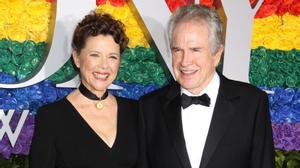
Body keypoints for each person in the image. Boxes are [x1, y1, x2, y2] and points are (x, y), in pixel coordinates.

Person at [139, 4, 275, 168]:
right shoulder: (149, 108)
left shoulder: (252, 103)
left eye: (195, 49)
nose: (185, 61)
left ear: (217, 54)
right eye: (177, 50)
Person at [30, 12, 141, 168]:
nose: (104, 65)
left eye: (112, 57)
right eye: (95, 55)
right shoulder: (51, 117)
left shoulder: (135, 111)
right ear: (76, 58)